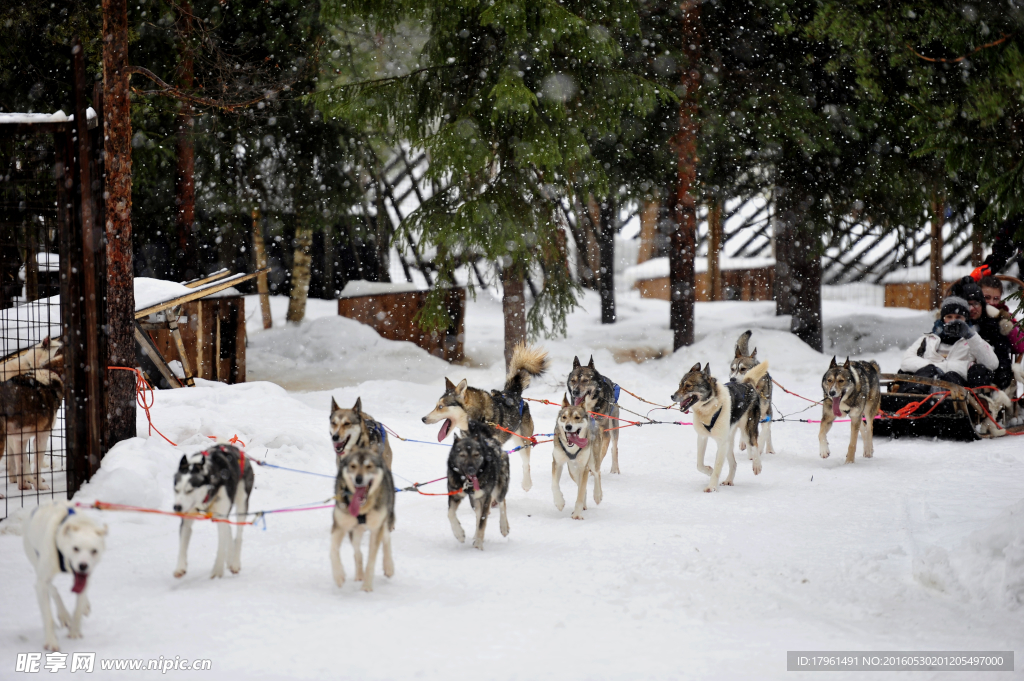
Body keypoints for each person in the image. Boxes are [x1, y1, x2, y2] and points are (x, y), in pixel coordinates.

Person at [898, 296, 999, 393]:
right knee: (926, 372)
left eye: (958, 317)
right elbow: (906, 362)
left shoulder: (972, 341)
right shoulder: (928, 339)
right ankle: (911, 398)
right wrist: (933, 369)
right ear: (943, 319)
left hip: (958, 392)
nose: (953, 321)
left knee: (951, 376)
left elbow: (992, 364)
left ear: (966, 320)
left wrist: (970, 336)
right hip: (925, 390)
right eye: (949, 317)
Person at [978, 274, 1024, 356]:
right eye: (987, 297)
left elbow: (1020, 346)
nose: (991, 303)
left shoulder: (1005, 315)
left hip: (1000, 363)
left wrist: (1006, 323)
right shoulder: (971, 314)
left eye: (996, 298)